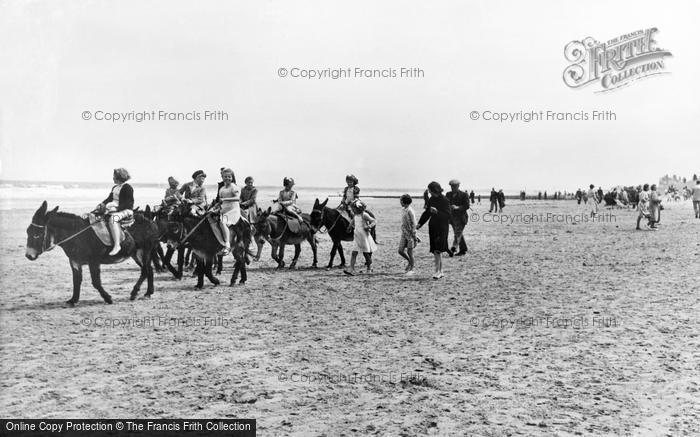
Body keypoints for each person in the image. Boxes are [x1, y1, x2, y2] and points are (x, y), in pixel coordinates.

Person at [417, 181, 451, 280]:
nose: (429, 193)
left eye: (430, 190)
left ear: (434, 190)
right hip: (433, 226)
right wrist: (419, 224)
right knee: (436, 250)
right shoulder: (431, 199)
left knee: (438, 249)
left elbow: (448, 215)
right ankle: (440, 271)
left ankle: (438, 271)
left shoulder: (445, 200)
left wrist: (437, 212)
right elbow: (427, 213)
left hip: (442, 227)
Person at [97, 168, 134, 256]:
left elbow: (128, 203)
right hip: (113, 208)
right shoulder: (115, 187)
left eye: (114, 176)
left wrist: (116, 209)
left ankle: (117, 245)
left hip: (126, 210)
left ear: (119, 177)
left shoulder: (127, 187)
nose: (113, 178)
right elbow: (109, 199)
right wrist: (101, 204)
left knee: (113, 219)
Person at [343, 200, 377, 276]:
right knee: (354, 252)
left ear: (358, 208)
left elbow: (374, 221)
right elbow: (352, 222)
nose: (352, 210)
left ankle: (369, 268)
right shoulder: (355, 216)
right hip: (357, 236)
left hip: (364, 236)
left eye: (353, 209)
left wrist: (369, 226)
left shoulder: (364, 215)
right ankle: (351, 269)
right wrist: (349, 227)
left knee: (366, 253)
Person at [216, 168, 241, 255]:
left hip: (233, 210)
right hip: (223, 209)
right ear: (222, 177)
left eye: (229, 177)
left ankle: (227, 244)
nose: (227, 178)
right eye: (225, 177)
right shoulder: (222, 188)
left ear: (232, 177)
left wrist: (225, 199)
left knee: (223, 222)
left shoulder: (234, 187)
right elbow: (220, 201)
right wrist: (215, 207)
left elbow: (237, 198)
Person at [446, 179, 469, 256]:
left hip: (461, 218)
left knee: (457, 234)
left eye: (455, 186)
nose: (453, 188)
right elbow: (446, 204)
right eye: (452, 186)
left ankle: (453, 248)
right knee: (458, 233)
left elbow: (467, 206)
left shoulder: (464, 194)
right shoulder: (448, 194)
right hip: (452, 218)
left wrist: (457, 207)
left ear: (458, 186)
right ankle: (463, 249)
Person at [398, 194, 417, 275]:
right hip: (404, 233)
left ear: (403, 201)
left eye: (401, 200)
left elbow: (414, 223)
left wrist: (414, 235)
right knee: (400, 251)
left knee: (410, 252)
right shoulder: (403, 209)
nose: (400, 202)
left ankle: (411, 268)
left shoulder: (410, 211)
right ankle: (410, 261)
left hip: (410, 234)